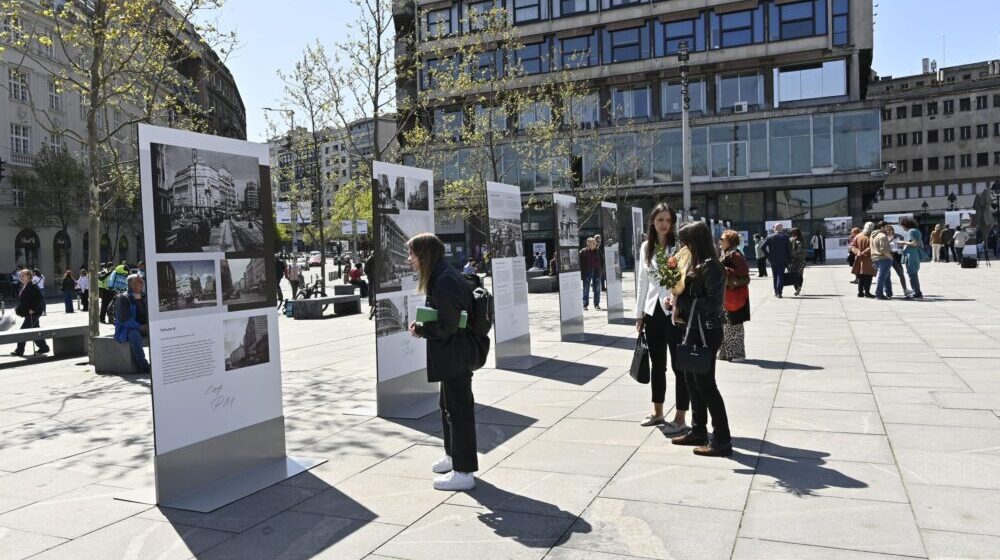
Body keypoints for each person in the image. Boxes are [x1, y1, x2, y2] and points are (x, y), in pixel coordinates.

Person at [407, 233, 479, 491]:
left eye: (413, 254)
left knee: (459, 412)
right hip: (453, 354)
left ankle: (464, 471)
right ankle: (453, 457)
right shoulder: (443, 276)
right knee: (448, 407)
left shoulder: (443, 281)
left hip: (454, 355)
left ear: (424, 255)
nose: (410, 260)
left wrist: (422, 330)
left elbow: (447, 325)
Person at [670, 221, 732, 457]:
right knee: (692, 382)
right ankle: (698, 430)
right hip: (692, 329)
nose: (683, 246)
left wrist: (682, 302)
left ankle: (722, 440)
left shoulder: (711, 266)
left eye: (685, 241)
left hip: (706, 331)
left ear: (696, 241)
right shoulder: (697, 264)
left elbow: (714, 303)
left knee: (707, 386)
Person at [634, 203, 688, 434]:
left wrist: (676, 302)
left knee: (680, 367)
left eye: (668, 220)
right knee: (657, 365)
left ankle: (680, 417)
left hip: (674, 312)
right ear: (653, 222)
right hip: (652, 312)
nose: (665, 224)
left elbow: (686, 279)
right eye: (660, 220)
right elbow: (642, 282)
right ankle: (657, 412)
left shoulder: (679, 246)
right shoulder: (647, 246)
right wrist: (639, 315)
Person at [719, 230, 750, 362]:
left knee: (734, 324)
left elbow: (744, 271)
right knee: (726, 324)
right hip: (728, 295)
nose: (720, 241)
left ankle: (737, 354)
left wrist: (726, 270)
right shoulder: (727, 253)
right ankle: (725, 353)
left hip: (734, 295)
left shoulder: (735, 254)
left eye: (722, 239)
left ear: (730, 241)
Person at [114, 274, 150, 373]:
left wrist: (150, 325)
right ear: (131, 284)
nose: (142, 283)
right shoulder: (123, 298)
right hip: (128, 329)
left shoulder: (145, 296)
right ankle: (144, 366)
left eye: (142, 280)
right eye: (139, 281)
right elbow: (124, 319)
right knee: (134, 335)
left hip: (146, 327)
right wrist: (140, 327)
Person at [10, 269, 49, 356]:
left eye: (23, 275)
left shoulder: (33, 286)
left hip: (33, 313)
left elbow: (39, 299)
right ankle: (44, 347)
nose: (21, 277)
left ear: (29, 276)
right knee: (34, 330)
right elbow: (24, 300)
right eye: (20, 276)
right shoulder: (23, 286)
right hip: (29, 312)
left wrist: (33, 309)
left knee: (23, 330)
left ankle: (19, 350)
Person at [761, 223, 793, 298]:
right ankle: (779, 292)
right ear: (781, 229)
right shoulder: (785, 237)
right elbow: (788, 250)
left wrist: (768, 255)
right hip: (783, 260)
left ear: (775, 228)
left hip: (773, 260)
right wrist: (790, 260)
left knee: (775, 276)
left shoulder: (769, 236)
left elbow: (762, 247)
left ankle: (776, 292)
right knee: (780, 276)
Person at [899, 217, 924, 299]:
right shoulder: (916, 230)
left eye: (902, 226)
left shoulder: (911, 231)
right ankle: (917, 292)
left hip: (911, 254)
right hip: (914, 254)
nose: (902, 228)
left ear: (905, 225)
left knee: (912, 274)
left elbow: (914, 243)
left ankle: (917, 293)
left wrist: (902, 242)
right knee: (913, 274)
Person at [850, 222, 876, 298]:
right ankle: (867, 292)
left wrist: (858, 253)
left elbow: (852, 246)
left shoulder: (858, 235)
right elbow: (872, 246)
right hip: (868, 259)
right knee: (868, 276)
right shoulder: (872, 236)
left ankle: (860, 293)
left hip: (859, 259)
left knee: (861, 276)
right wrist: (863, 252)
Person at [871, 223, 894, 300]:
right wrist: (890, 257)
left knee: (886, 276)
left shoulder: (872, 235)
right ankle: (879, 294)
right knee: (882, 277)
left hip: (875, 258)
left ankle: (888, 292)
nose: (887, 229)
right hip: (883, 258)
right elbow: (883, 249)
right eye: (886, 227)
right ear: (881, 227)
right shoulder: (882, 236)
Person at [887, 225, 910, 296]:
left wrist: (900, 248)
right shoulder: (884, 237)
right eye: (887, 230)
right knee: (886, 275)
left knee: (901, 273)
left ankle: (905, 289)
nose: (889, 231)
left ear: (893, 230)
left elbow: (901, 247)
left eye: (890, 229)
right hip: (887, 257)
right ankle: (888, 291)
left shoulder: (898, 236)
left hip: (896, 256)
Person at [580, 237, 602, 310]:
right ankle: (585, 304)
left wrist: (601, 271)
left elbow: (602, 261)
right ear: (588, 244)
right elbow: (580, 264)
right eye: (593, 243)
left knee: (597, 289)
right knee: (586, 289)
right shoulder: (583, 252)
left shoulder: (598, 251)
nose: (595, 244)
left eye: (595, 243)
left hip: (596, 271)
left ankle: (596, 304)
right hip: (587, 272)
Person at [787, 228, 808, 296]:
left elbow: (802, 250)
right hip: (794, 260)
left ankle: (798, 288)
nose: (792, 233)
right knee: (795, 274)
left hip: (798, 260)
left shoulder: (800, 240)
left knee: (798, 274)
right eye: (792, 232)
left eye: (793, 232)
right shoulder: (791, 239)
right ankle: (797, 288)